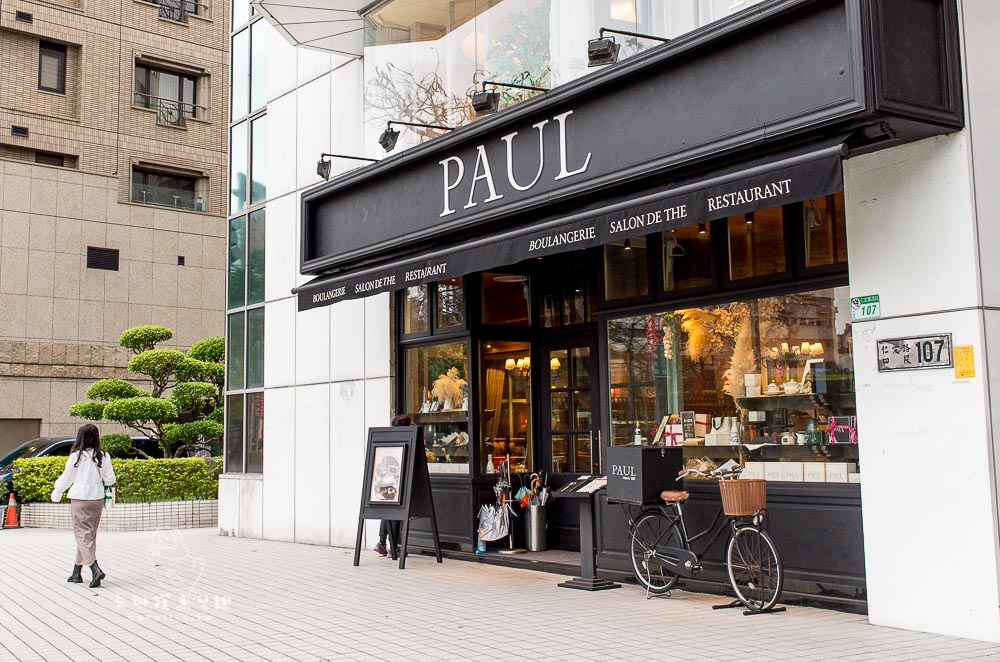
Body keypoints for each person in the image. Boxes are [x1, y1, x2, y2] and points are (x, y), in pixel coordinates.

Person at [51, 424, 116, 587]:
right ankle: (76, 572)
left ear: (80, 438)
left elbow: (67, 478)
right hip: (97, 499)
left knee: (82, 535)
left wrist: (57, 491)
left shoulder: (77, 457)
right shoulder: (104, 456)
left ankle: (95, 569)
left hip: (80, 498)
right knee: (89, 535)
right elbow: (110, 479)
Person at [374, 414, 411, 557]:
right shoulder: (407, 439)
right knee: (395, 514)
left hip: (386, 480)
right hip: (398, 481)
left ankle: (382, 543)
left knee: (387, 511)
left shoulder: (388, 439)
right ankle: (393, 548)